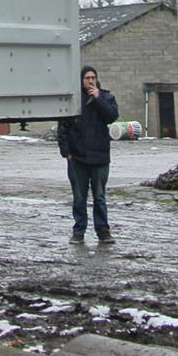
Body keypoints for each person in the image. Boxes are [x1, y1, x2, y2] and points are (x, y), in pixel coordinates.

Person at [58, 65, 118, 243]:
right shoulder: (73, 99)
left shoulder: (106, 97)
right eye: (87, 78)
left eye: (93, 78)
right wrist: (66, 153)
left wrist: (98, 99)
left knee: (99, 196)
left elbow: (112, 117)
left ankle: (103, 230)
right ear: (81, 80)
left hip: (100, 156)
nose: (90, 81)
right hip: (78, 157)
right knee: (79, 197)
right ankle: (79, 231)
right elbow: (63, 127)